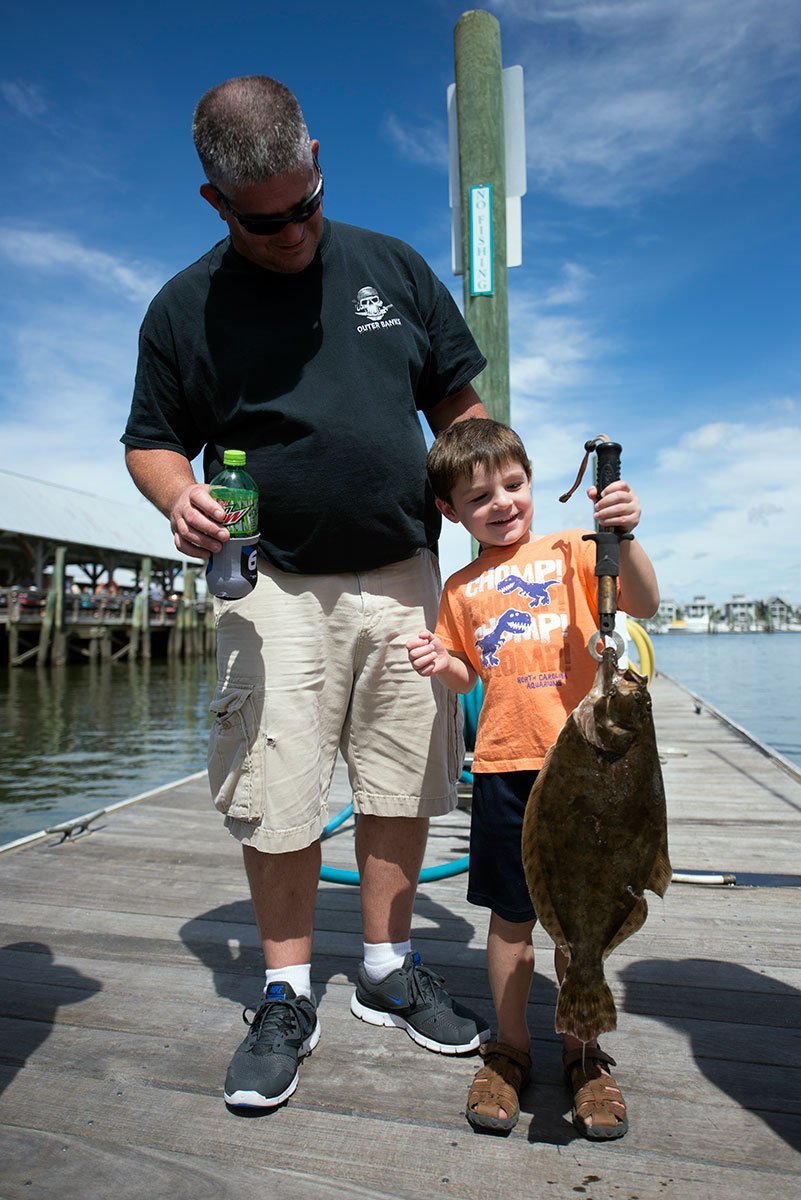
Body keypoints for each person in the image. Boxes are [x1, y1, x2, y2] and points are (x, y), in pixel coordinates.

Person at [121, 75, 491, 1110]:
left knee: (402, 778)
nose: (292, 233)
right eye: (262, 221)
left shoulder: (393, 267)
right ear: (215, 202)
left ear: (318, 160)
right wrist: (178, 496)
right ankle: (285, 992)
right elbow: (151, 441)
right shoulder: (182, 308)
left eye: (306, 206)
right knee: (277, 789)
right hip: (269, 579)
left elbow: (459, 403)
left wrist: (482, 493)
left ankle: (385, 968)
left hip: (404, 571)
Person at [406, 419, 660, 1139]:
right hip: (503, 770)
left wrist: (624, 535)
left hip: (584, 772)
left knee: (579, 920)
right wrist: (442, 663)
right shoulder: (459, 587)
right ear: (450, 511)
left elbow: (642, 602)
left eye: (513, 485)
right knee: (511, 919)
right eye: (479, 496)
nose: (502, 503)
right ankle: (510, 1048)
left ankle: (583, 1053)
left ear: (530, 483)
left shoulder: (576, 549)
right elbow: (467, 671)